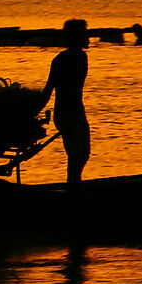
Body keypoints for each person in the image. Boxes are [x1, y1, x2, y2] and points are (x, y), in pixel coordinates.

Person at [40, 18, 91, 184]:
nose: (88, 37)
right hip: (65, 114)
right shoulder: (60, 60)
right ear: (76, 37)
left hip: (78, 112)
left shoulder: (82, 57)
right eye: (84, 34)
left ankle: (75, 183)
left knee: (84, 154)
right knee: (75, 155)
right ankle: (73, 187)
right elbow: (49, 89)